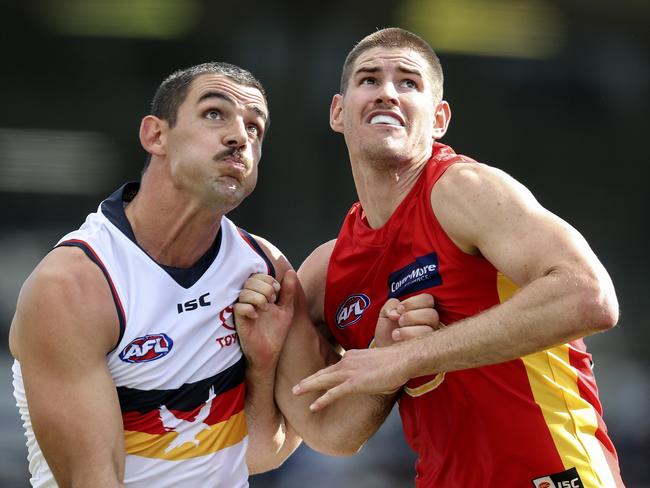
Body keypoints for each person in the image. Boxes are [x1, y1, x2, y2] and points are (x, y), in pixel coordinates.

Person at [237, 28, 625, 487]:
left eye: (408, 82)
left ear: (439, 118)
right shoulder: (326, 272)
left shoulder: (463, 190)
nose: (386, 93)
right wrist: (383, 356)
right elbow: (330, 436)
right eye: (368, 80)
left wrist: (408, 358)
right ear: (338, 112)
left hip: (554, 476)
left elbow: (590, 296)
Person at [8, 62, 306, 488]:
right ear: (155, 135)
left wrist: (261, 367)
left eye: (255, 128)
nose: (240, 136)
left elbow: (259, 454)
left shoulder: (264, 267)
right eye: (214, 113)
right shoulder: (75, 285)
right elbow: (93, 480)